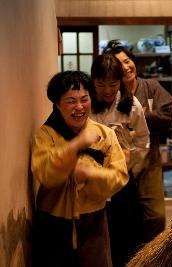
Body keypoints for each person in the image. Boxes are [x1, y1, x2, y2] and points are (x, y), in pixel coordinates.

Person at [31, 71, 129, 267]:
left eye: (84, 99)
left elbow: (119, 177)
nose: (79, 107)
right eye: (70, 101)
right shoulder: (45, 135)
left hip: (94, 222)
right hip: (52, 222)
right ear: (57, 105)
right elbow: (45, 173)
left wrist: (91, 173)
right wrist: (75, 146)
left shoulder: (105, 134)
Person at [102, 40, 172, 245]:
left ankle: (151, 255)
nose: (126, 67)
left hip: (149, 161)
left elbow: (168, 117)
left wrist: (140, 118)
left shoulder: (151, 87)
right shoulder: (109, 96)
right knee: (122, 218)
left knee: (155, 216)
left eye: (127, 61)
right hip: (117, 164)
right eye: (119, 64)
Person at [90, 54, 150, 266]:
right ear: (93, 81)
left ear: (121, 81)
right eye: (100, 84)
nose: (107, 91)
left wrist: (131, 164)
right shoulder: (86, 103)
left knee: (127, 232)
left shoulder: (131, 104)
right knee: (97, 233)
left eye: (113, 84)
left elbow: (143, 138)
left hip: (123, 177)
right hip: (93, 179)